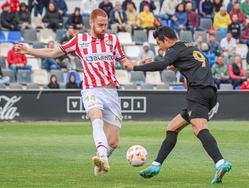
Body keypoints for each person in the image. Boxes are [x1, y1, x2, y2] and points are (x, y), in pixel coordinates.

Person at [16, 8, 141, 177]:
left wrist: (141, 64)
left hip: (111, 92)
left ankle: (101, 158)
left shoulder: (112, 40)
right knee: (95, 116)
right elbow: (53, 52)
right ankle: (102, 156)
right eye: (100, 25)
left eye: (106, 25)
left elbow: (126, 63)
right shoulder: (80, 40)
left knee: (114, 141)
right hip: (91, 89)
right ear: (91, 23)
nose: (104, 28)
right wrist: (29, 50)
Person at [125, 26, 232, 184]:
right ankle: (155, 166)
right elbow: (200, 64)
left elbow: (161, 65)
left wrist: (134, 67)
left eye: (159, 44)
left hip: (198, 92)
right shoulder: (189, 46)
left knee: (199, 128)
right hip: (209, 92)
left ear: (166, 40)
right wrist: (180, 66)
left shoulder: (173, 50)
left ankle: (220, 163)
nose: (159, 48)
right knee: (172, 127)